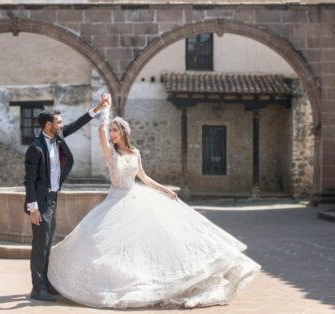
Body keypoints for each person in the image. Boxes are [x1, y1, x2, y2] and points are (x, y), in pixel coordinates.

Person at [47, 94, 261, 309]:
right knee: (98, 241)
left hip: (135, 199)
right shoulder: (110, 153)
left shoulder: (135, 153)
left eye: (115, 130)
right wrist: (105, 111)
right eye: (111, 130)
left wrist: (165, 189)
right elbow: (100, 132)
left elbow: (144, 177)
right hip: (115, 201)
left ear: (123, 133)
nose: (111, 133)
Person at [24, 95, 110, 302]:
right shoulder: (35, 149)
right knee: (39, 245)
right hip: (41, 203)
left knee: (48, 243)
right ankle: (37, 288)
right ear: (48, 125)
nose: (62, 125)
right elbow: (29, 181)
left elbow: (77, 124)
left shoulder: (58, 137)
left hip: (53, 199)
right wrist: (33, 209)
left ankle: (44, 283)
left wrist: (97, 109)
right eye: (59, 122)